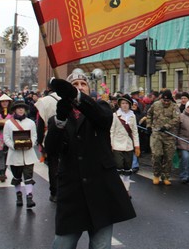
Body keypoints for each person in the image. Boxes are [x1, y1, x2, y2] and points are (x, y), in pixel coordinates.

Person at [45, 70, 135, 249]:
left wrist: (75, 96)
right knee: (62, 243)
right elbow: (52, 149)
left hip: (101, 188)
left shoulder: (100, 107)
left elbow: (101, 118)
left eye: (83, 84)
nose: (79, 87)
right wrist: (60, 121)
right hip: (72, 190)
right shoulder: (59, 116)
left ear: (88, 87)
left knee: (100, 245)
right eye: (74, 85)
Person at [3, 98, 38, 209]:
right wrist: (13, 146)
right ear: (14, 110)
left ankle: (29, 196)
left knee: (28, 176)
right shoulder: (8, 124)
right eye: (19, 108)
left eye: (22, 108)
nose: (21, 110)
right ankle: (19, 195)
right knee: (17, 176)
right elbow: (6, 138)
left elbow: (34, 136)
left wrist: (30, 144)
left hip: (28, 153)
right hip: (15, 155)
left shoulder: (31, 123)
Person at [146, 89, 179, 185]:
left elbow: (176, 119)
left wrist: (167, 126)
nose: (166, 102)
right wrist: (148, 125)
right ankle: (156, 174)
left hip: (169, 135)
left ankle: (166, 176)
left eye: (168, 100)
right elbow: (149, 114)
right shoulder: (156, 104)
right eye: (164, 100)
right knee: (157, 155)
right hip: (157, 134)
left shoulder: (174, 106)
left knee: (168, 157)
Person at [110, 94, 140, 196]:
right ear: (119, 104)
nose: (125, 105)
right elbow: (112, 131)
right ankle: (119, 189)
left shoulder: (132, 116)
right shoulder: (115, 115)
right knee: (119, 167)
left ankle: (126, 189)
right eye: (123, 103)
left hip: (128, 145)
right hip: (117, 145)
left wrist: (137, 146)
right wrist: (111, 144)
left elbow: (135, 132)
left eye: (127, 103)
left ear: (130, 105)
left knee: (127, 169)